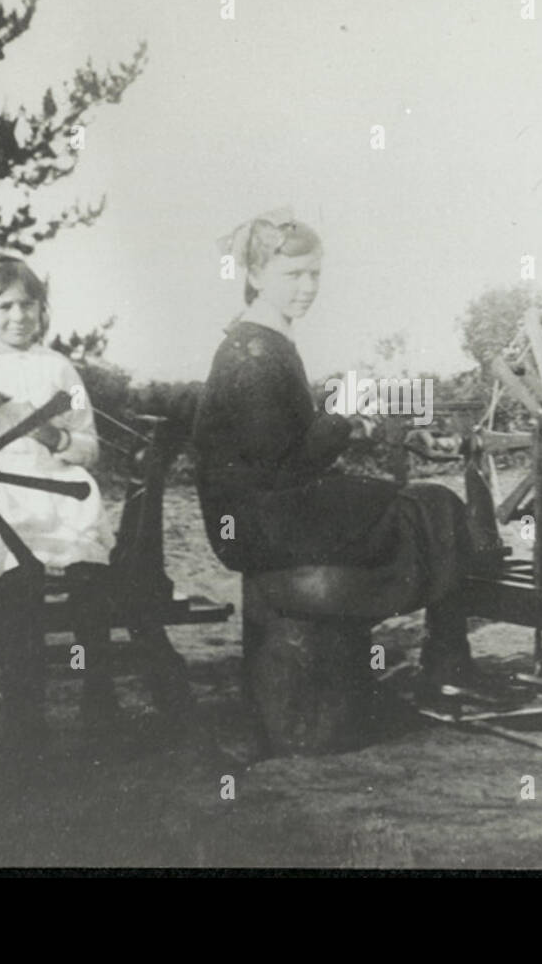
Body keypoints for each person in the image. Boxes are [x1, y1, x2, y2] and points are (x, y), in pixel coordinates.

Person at [193, 214, 496, 695]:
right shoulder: (253, 354)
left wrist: (373, 426)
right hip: (262, 522)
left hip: (264, 513)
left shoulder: (264, 341)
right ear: (253, 277)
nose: (308, 287)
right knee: (434, 506)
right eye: (293, 275)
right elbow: (283, 465)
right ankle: (447, 664)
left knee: (418, 503)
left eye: (315, 273)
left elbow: (291, 446)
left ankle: (443, 664)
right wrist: (342, 415)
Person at [0, 254, 119, 745]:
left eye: (28, 305)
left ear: (42, 310)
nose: (18, 317)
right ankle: (26, 714)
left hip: (61, 490)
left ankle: (99, 697)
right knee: (20, 584)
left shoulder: (59, 368)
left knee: (90, 577)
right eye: (3, 306)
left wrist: (54, 436)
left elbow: (90, 449)